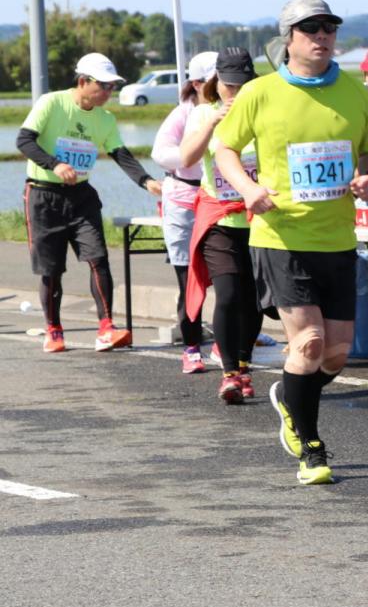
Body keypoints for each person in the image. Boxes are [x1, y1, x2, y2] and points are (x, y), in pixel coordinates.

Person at [214, 0, 368, 485]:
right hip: (281, 235)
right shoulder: (260, 93)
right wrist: (248, 189)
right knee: (307, 343)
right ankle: (311, 448)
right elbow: (225, 148)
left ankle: (289, 394)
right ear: (287, 39)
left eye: (328, 28)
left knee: (336, 352)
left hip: (336, 238)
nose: (322, 36)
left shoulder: (354, 92)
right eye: (310, 29)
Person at [19, 52, 163, 353]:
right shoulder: (51, 103)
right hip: (44, 195)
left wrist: (146, 180)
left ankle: (106, 328)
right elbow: (24, 140)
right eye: (105, 86)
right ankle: (54, 329)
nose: (110, 92)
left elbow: (120, 154)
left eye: (113, 86)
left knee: (98, 259)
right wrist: (55, 164)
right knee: (51, 269)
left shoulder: (105, 118)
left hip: (82, 197)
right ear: (84, 82)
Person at [180, 47, 263, 404]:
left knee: (256, 300)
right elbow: (186, 159)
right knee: (229, 294)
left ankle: (243, 365)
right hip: (220, 218)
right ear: (217, 84)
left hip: (259, 218)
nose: (237, 93)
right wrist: (215, 121)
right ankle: (229, 374)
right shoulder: (204, 112)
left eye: (243, 85)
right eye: (230, 86)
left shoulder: (265, 112)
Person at [152, 50, 217, 374]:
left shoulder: (230, 109)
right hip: (183, 200)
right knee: (189, 279)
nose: (225, 86)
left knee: (230, 277)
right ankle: (191, 345)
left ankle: (229, 340)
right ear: (197, 83)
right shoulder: (183, 114)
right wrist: (189, 155)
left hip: (220, 199)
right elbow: (160, 153)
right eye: (216, 80)